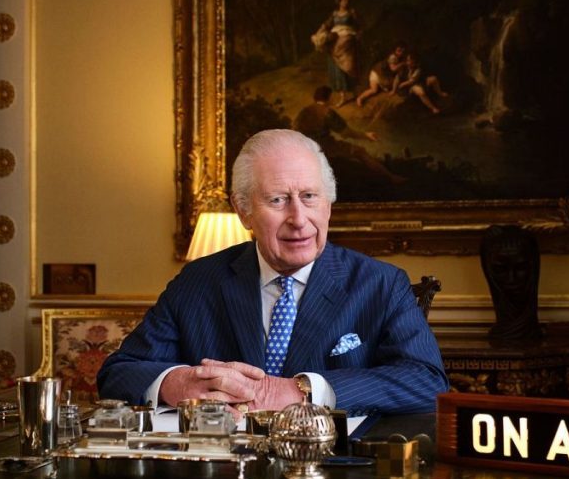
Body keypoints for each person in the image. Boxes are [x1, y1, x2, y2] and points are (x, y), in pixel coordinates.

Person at [97, 129, 447, 415]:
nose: (298, 219)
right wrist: (179, 383)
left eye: (310, 196)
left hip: (335, 474)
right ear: (243, 210)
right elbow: (118, 373)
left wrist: (303, 390)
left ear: (329, 204)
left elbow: (426, 382)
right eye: (278, 200)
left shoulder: (381, 284)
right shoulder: (199, 282)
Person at [294, 86, 405, 185]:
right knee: (359, 151)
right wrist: (366, 135)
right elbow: (346, 133)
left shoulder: (304, 111)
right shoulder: (327, 112)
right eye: (333, 96)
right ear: (330, 97)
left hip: (301, 148)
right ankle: (391, 178)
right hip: (320, 147)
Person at [315, 0, 360, 107]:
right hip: (335, 39)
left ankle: (354, 92)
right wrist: (319, 32)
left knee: (349, 67)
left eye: (348, 1)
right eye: (344, 1)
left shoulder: (352, 13)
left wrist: (356, 33)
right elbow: (327, 24)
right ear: (339, 2)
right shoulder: (334, 14)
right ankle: (342, 96)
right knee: (337, 68)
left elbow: (358, 26)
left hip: (347, 40)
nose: (346, 3)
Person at [355, 42, 407, 108]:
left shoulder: (400, 58)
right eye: (399, 51)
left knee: (389, 85)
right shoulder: (393, 57)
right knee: (374, 90)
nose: (401, 53)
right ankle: (360, 98)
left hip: (383, 75)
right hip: (377, 73)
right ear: (395, 50)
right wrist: (402, 64)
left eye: (402, 51)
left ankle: (383, 86)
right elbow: (393, 69)